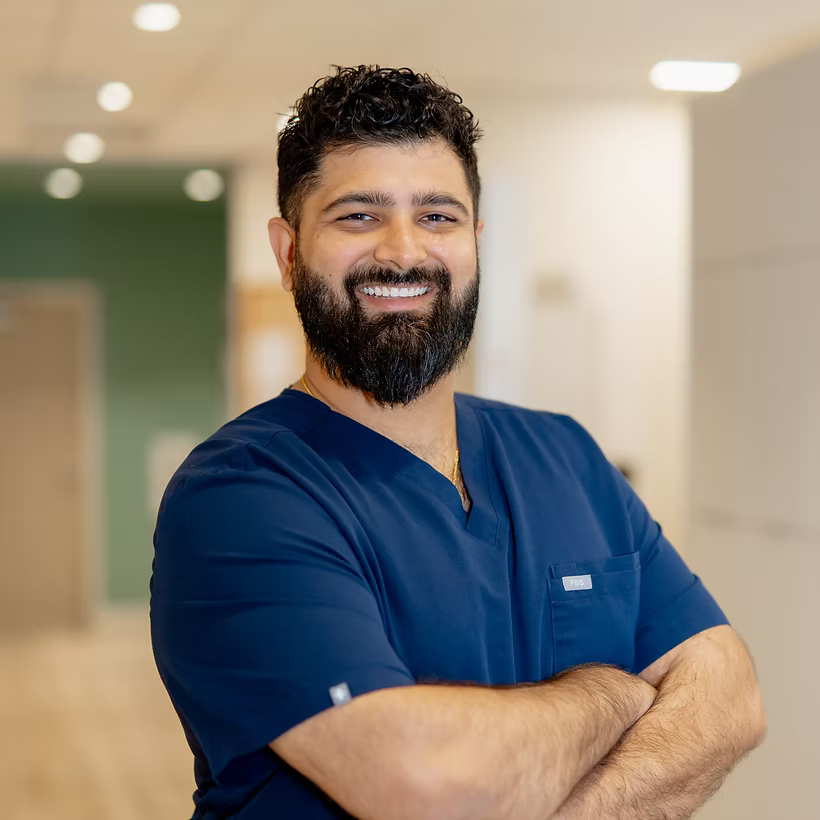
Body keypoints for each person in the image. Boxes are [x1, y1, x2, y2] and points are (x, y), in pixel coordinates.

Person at [150, 65, 765, 820]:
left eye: (438, 216)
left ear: (475, 241)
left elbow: (727, 693)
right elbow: (421, 784)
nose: (403, 251)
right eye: (357, 216)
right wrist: (611, 689)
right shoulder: (241, 496)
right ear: (287, 252)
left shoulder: (562, 454)